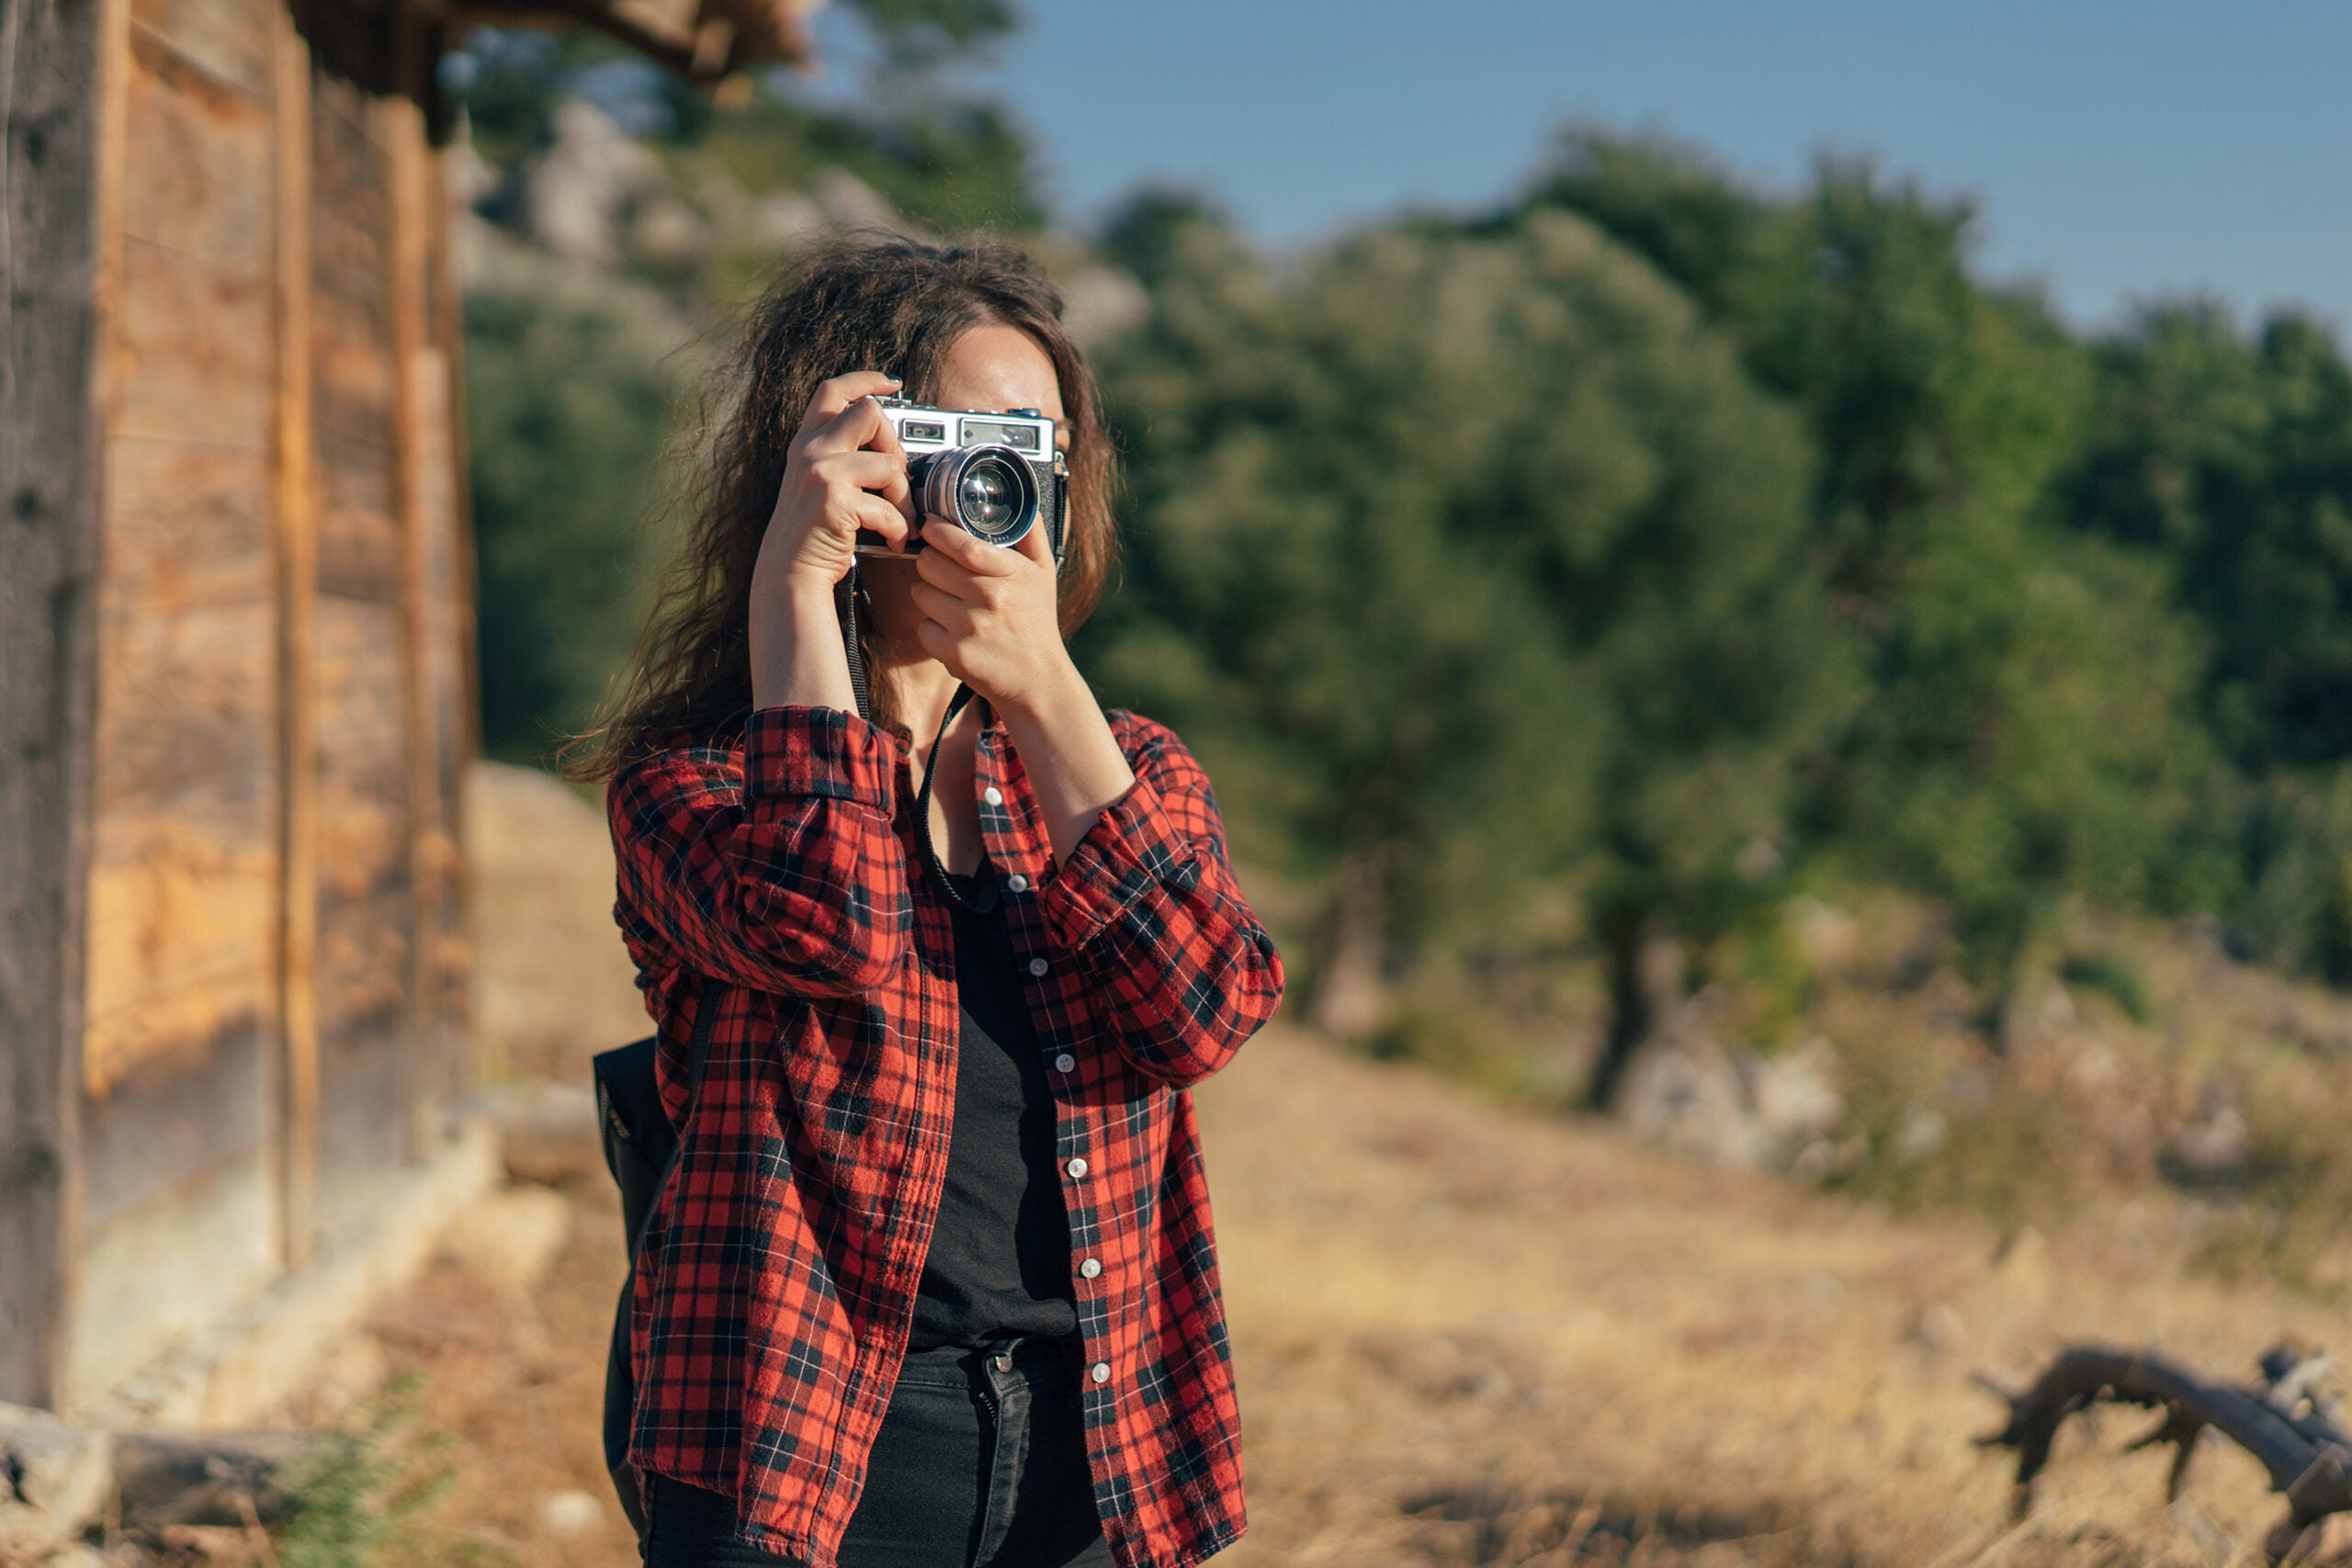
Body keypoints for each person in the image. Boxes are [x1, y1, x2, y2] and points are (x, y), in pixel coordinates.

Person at [563, 236, 1286, 1568]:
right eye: (962, 436)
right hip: (797, 1438)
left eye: (1038, 443)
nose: (1000, 479)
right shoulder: (693, 787)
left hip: (1093, 1440)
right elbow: (824, 925)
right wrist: (799, 589)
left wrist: (1043, 689)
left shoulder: (1121, 770)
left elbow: (1203, 1017)